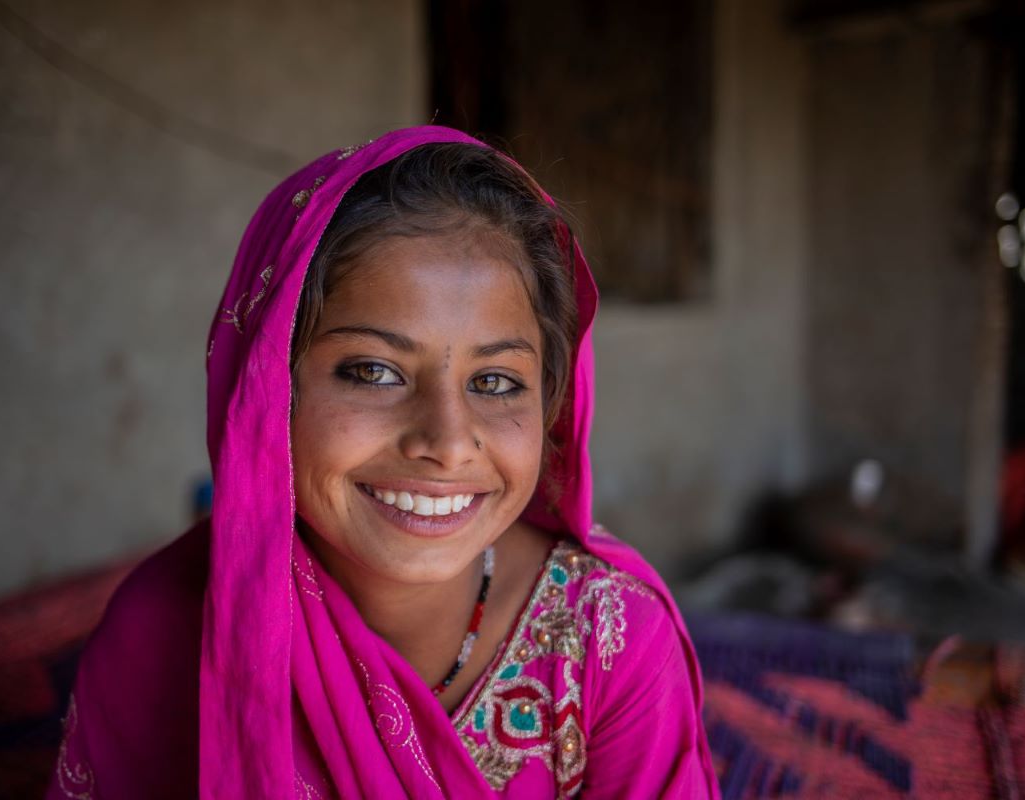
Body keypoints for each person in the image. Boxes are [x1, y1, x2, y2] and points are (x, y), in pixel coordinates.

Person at [48, 126, 718, 799]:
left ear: (550, 403)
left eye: (495, 383)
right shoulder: (162, 633)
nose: (448, 442)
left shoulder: (607, 641)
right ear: (265, 387)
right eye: (373, 371)